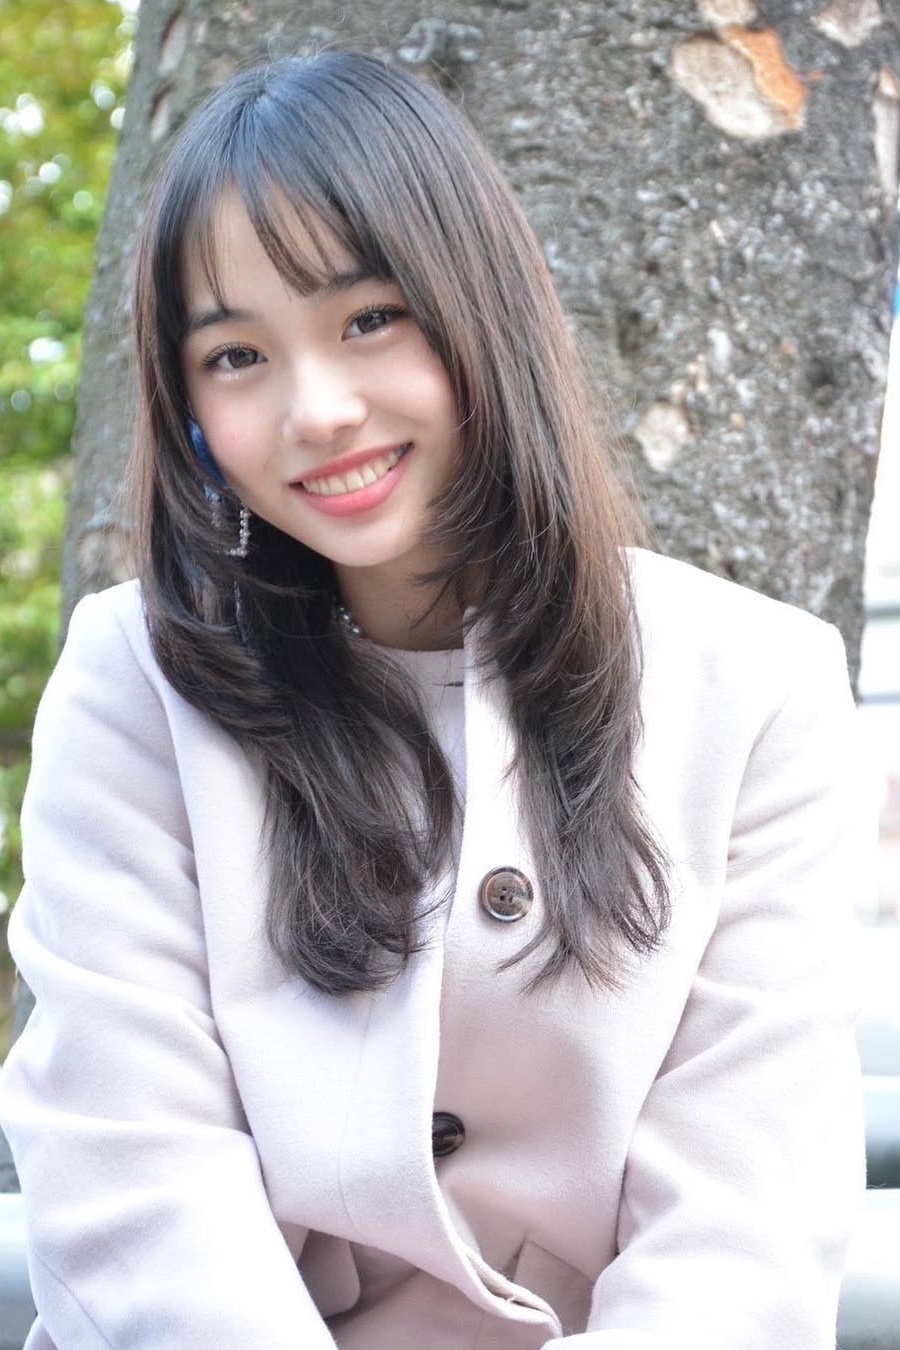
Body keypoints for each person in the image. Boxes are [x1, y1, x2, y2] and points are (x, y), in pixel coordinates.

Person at [0, 51, 868, 1350]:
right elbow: (132, 1175)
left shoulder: (753, 688)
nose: (318, 411)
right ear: (187, 408)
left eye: (368, 319)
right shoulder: (137, 681)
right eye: (236, 355)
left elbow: (745, 1225)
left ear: (481, 310)